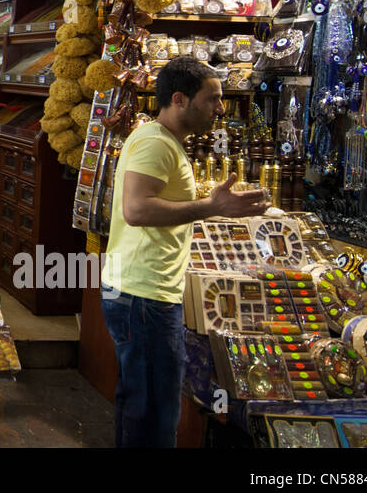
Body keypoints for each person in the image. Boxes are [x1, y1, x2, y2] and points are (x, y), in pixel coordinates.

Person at [100, 56, 269, 448]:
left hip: (143, 292)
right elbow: (137, 209)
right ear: (179, 99)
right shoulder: (154, 144)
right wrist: (211, 207)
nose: (221, 108)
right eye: (212, 99)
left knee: (145, 408)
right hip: (143, 296)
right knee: (153, 415)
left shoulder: (164, 143)